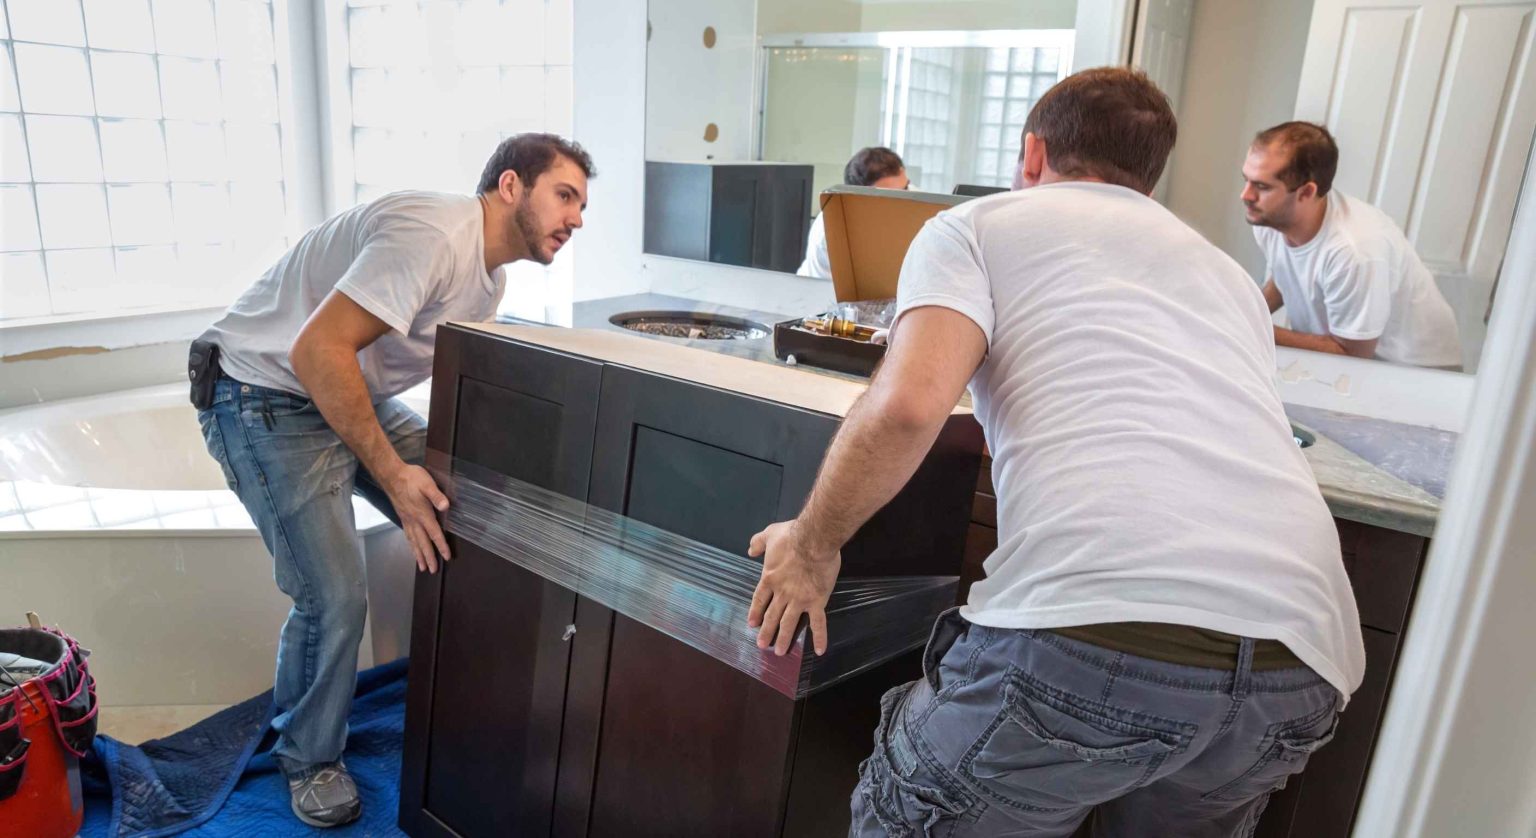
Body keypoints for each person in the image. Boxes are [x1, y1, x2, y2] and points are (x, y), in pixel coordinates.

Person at [746, 69, 1363, 837]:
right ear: (1147, 177)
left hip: (1096, 635)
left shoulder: (976, 227)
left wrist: (811, 547)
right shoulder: (1229, 276)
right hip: (1300, 665)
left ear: (1033, 154)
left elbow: (906, 406)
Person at [192, 133, 593, 828]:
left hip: (336, 388)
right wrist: (394, 477)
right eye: (565, 195)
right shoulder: (433, 235)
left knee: (467, 505)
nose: (577, 218)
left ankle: (472, 695)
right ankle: (308, 757)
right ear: (510, 186)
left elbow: (450, 393)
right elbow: (316, 350)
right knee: (333, 595)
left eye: (582, 206)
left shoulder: (490, 281)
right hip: (261, 393)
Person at [1242, 121, 1462, 367]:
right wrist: (1245, 312)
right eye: (1246, 180)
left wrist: (1256, 329)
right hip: (1357, 362)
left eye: (1261, 186)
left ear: (1306, 193)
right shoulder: (1270, 220)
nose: (1246, 195)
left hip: (1417, 372)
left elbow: (1351, 354)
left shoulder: (1354, 251)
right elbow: (1289, 274)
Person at [796, 147, 910, 279]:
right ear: (857, 200)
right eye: (890, 197)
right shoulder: (833, 230)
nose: (904, 201)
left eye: (905, 189)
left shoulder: (906, 202)